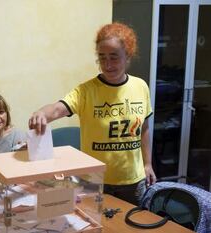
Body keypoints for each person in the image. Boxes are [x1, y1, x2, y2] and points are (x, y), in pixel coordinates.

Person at [28, 22, 156, 205]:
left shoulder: (140, 86)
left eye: (114, 57)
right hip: (94, 181)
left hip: (133, 182)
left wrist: (147, 164)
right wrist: (41, 112)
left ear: (128, 55)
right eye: (102, 57)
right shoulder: (86, 91)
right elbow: (57, 108)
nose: (107, 64)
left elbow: (144, 128)